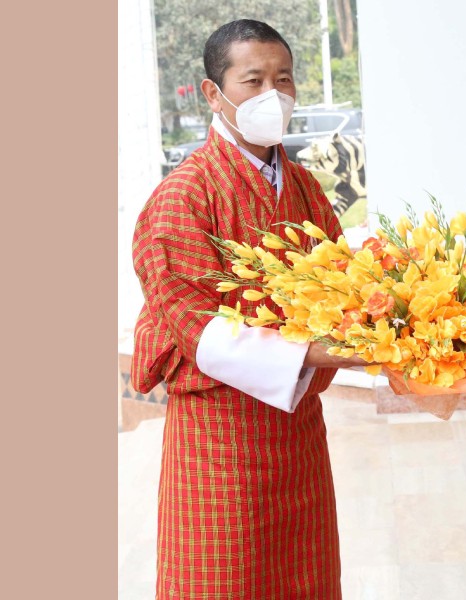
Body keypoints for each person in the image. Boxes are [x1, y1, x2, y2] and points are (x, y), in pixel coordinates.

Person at [130, 19, 364, 599]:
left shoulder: (307, 188)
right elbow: (192, 324)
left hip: (298, 430)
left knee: (305, 577)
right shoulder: (182, 196)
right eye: (252, 80)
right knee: (222, 580)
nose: (272, 96)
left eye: (283, 80)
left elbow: (342, 287)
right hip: (221, 438)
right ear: (213, 92)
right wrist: (313, 350)